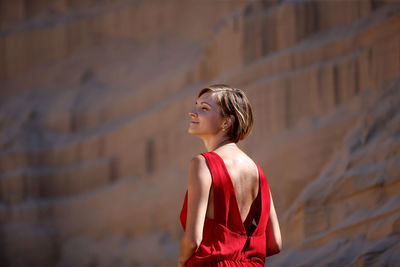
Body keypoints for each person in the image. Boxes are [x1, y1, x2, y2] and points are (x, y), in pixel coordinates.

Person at [178, 84, 282, 266]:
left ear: (226, 122)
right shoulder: (256, 171)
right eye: (196, 106)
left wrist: (181, 262)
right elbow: (275, 243)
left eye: (204, 108)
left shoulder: (202, 164)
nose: (192, 112)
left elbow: (192, 241)